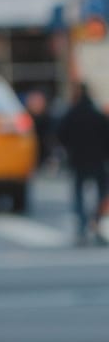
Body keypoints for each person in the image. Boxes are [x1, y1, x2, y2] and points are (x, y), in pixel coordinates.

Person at [55, 81, 109, 243]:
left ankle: (82, 225)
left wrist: (70, 148)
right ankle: (96, 221)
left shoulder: (71, 114)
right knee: (102, 192)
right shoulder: (97, 114)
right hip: (98, 160)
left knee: (79, 193)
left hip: (78, 159)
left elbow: (60, 134)